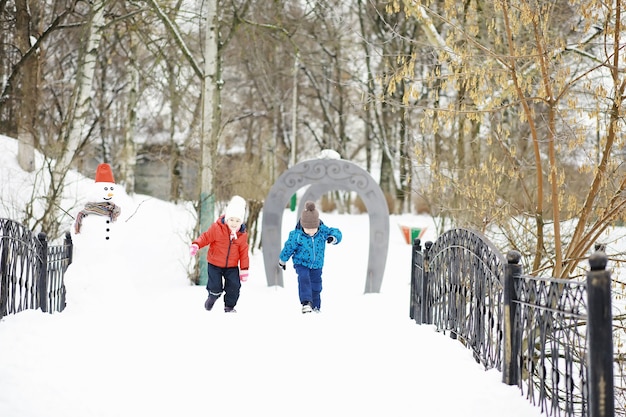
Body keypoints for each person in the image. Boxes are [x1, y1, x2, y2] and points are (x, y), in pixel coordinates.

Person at [278, 200, 342, 313]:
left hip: (317, 264)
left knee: (316, 286)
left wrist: (333, 238)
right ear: (303, 225)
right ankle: (306, 302)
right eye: (308, 229)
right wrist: (282, 260)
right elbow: (288, 248)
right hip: (301, 263)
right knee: (304, 279)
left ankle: (316, 307)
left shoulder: (322, 231)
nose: (311, 232)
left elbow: (336, 232)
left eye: (313, 228)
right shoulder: (297, 235)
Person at [190, 195, 250, 313]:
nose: (234, 223)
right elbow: (206, 237)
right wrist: (196, 244)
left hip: (232, 266)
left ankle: (229, 307)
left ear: (241, 222)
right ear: (227, 218)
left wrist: (244, 269)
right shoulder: (217, 228)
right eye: (232, 219)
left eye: (237, 221)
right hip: (215, 264)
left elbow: (244, 254)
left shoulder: (242, 235)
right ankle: (212, 297)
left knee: (234, 286)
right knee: (215, 287)